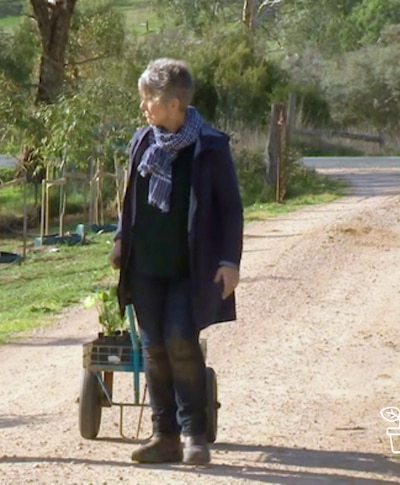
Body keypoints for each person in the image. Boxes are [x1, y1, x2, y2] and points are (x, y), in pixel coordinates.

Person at [109, 58, 243, 465]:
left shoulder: (210, 145)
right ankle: (163, 434)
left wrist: (229, 261)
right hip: (146, 265)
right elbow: (129, 199)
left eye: (147, 99)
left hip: (192, 267)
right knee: (153, 348)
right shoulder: (142, 141)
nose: (143, 107)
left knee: (181, 341)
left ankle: (194, 435)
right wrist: (119, 239)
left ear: (171, 103)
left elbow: (230, 209)